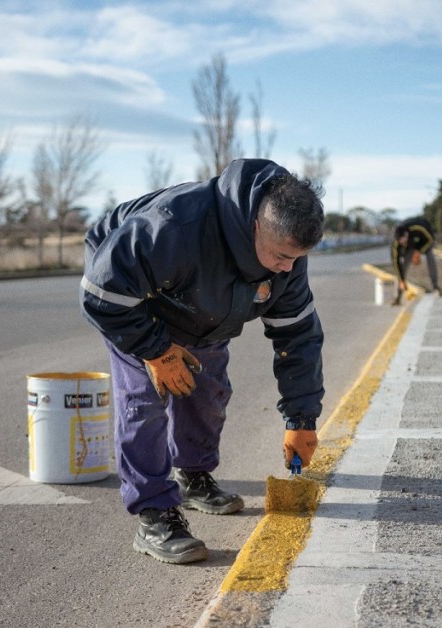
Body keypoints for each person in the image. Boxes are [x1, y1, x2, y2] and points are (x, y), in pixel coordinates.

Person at [80, 159, 325, 565]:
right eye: (282, 256)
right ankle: (154, 514)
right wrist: (156, 350)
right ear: (257, 227)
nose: (288, 268)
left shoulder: (288, 256)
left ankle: (193, 476)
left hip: (204, 306)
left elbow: (297, 337)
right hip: (133, 303)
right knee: (146, 402)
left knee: (207, 390)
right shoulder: (173, 227)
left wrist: (301, 418)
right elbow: (103, 295)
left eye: (296, 260)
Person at [390, 216, 442, 304]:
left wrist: (418, 252)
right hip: (411, 245)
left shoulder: (417, 227)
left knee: (430, 258)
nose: (401, 243)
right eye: (400, 242)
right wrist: (401, 279)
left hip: (426, 240)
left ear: (406, 234)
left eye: (403, 241)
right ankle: (398, 296)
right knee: (403, 265)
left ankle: (435, 287)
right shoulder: (396, 243)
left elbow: (431, 239)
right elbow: (396, 262)